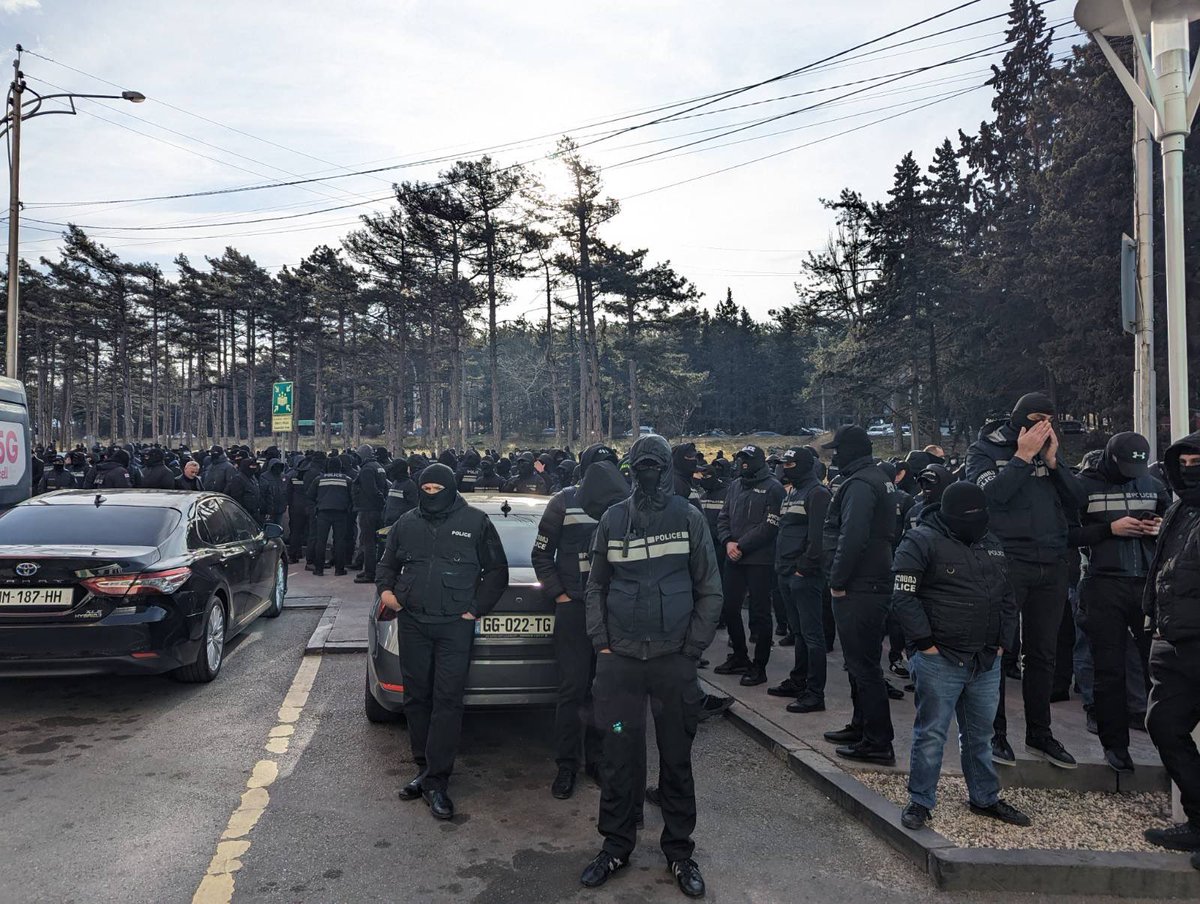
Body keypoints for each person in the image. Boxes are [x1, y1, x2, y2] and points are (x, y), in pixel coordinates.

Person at [581, 435, 722, 898]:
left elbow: (710, 590)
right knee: (618, 756)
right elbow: (596, 587)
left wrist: (691, 649)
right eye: (640, 465)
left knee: (676, 760)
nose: (647, 473)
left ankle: (679, 852)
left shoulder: (688, 518)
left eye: (654, 466)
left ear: (666, 469)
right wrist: (602, 644)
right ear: (630, 468)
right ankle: (616, 845)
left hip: (672, 664)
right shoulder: (613, 519)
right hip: (620, 663)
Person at [891, 481, 1029, 831]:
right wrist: (925, 645)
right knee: (930, 735)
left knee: (980, 735)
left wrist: (1002, 642)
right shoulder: (920, 540)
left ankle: (985, 797)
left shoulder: (991, 541)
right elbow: (903, 597)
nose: (975, 520)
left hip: (985, 659)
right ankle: (920, 801)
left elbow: (1007, 597)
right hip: (940, 659)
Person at [377, 463, 509, 821]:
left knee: (447, 699)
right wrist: (388, 593)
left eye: (438, 489)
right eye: (426, 488)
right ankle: (423, 767)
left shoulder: (476, 522)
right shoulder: (406, 523)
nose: (431, 495)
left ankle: (438, 779)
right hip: (414, 622)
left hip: (454, 625)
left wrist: (475, 609)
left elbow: (497, 571)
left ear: (451, 489)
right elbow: (386, 564)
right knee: (416, 697)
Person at [966, 392, 1087, 768]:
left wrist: (1054, 463)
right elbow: (988, 496)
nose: (1042, 426)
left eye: (1049, 419)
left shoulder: (1050, 452)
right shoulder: (986, 448)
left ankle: (1040, 732)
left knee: (1043, 654)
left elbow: (1078, 501)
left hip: (1050, 562)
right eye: (1036, 419)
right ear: (1019, 418)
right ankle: (995, 733)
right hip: (1007, 560)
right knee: (997, 651)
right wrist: (1020, 457)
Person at [531, 443, 627, 799]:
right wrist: (559, 594)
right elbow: (541, 552)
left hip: (613, 610)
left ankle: (599, 761)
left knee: (606, 691)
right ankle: (566, 765)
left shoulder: (626, 502)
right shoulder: (563, 501)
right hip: (573, 607)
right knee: (571, 690)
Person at [1072, 432, 1168, 774]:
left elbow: (1175, 526)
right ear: (1111, 459)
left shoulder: (1153, 484)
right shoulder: (1083, 486)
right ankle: (1115, 746)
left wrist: (1159, 529)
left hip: (1145, 582)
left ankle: (1168, 743)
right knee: (1108, 669)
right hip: (1102, 582)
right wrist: (1110, 529)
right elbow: (1067, 534)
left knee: (1157, 667)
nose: (1131, 474)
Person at [819, 425, 897, 765]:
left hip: (860, 583)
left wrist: (837, 578)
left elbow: (852, 537)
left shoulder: (861, 484)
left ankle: (878, 742)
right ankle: (861, 725)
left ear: (852, 450)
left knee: (864, 666)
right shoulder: (874, 477)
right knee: (857, 663)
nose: (834, 456)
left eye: (838, 450)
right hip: (870, 579)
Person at [1142, 431, 1200, 860]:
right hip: (1172, 641)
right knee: (1164, 725)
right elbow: (1163, 566)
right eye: (1185, 460)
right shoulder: (1181, 507)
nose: (1190, 467)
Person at [713, 445, 785, 686]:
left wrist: (741, 545)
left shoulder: (773, 488)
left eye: (747, 459)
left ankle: (759, 665)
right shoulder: (735, 486)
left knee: (761, 613)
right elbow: (723, 517)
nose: (742, 463)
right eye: (740, 458)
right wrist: (727, 542)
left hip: (759, 560)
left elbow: (770, 526)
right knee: (730, 608)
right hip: (733, 557)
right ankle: (740, 656)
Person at [772, 446, 831, 713]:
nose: (785, 468)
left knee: (812, 636)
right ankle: (798, 680)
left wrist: (802, 569)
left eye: (791, 463)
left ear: (804, 465)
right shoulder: (791, 493)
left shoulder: (817, 493)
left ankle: (815, 693)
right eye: (784, 463)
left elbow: (818, 540)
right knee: (798, 634)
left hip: (804, 576)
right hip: (786, 572)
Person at [307, 455, 352, 576]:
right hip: (341, 513)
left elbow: (310, 496)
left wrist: (316, 507)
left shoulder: (319, 479)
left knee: (321, 541)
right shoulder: (347, 479)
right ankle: (339, 569)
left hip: (323, 513)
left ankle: (319, 569)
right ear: (340, 466)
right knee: (339, 542)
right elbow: (353, 497)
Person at [352, 444, 390, 584]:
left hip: (369, 510)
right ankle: (375, 570)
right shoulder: (378, 466)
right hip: (378, 510)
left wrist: (379, 501)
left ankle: (370, 573)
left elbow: (371, 490)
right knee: (379, 543)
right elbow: (385, 487)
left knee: (369, 543)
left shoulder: (367, 469)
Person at [383, 458, 419, 525]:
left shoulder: (410, 485)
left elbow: (414, 506)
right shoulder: (395, 483)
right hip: (389, 522)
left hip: (401, 524)